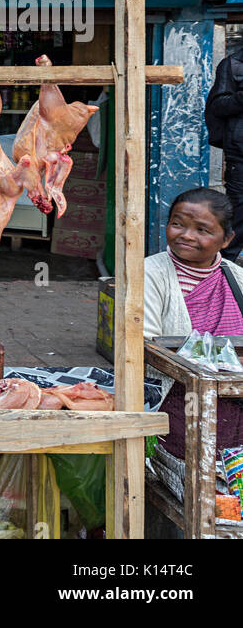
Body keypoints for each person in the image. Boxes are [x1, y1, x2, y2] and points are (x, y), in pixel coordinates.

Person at [143, 187, 243, 463]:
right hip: (175, 400)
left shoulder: (236, 278)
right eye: (177, 224)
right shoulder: (151, 273)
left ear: (227, 239)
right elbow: (146, 344)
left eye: (202, 229)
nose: (186, 235)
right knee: (185, 476)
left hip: (233, 406)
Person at [205, 48, 243, 260]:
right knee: (238, 214)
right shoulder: (233, 64)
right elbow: (218, 105)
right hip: (240, 155)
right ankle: (220, 269)